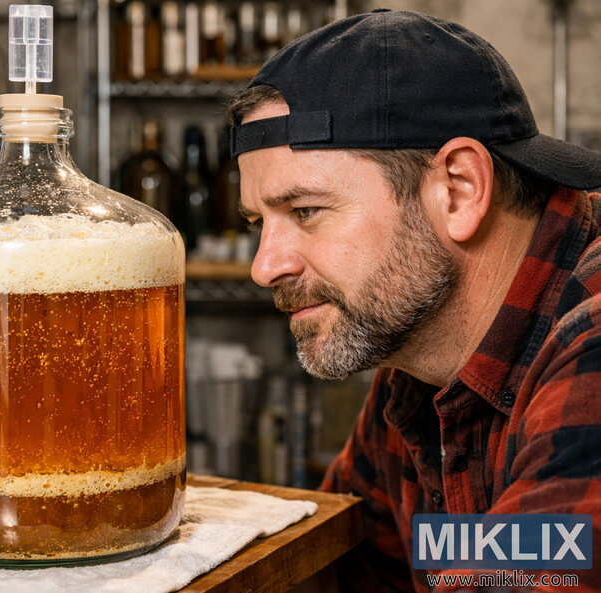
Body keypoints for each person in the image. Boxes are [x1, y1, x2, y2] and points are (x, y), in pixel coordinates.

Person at [227, 9, 601, 593]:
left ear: (458, 190)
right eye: (259, 223)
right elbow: (342, 572)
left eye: (306, 212)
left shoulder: (593, 345)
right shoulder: (417, 368)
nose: (264, 266)